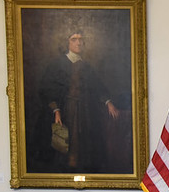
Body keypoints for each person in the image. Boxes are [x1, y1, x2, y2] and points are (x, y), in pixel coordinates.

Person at [39, 30, 126, 174]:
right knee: (65, 139)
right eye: (74, 39)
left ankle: (82, 167)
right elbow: (47, 89)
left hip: (85, 110)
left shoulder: (87, 67)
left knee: (85, 140)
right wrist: (56, 110)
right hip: (66, 109)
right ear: (67, 42)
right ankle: (65, 168)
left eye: (80, 39)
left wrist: (108, 102)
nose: (78, 42)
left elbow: (98, 87)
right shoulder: (58, 64)